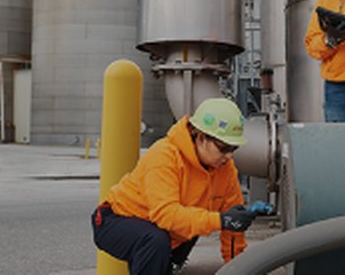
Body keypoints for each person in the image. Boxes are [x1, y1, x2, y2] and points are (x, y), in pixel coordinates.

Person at [92, 98, 254, 275]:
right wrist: (220, 220)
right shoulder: (164, 155)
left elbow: (233, 226)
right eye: (224, 148)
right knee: (155, 241)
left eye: (234, 149)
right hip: (116, 220)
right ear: (201, 137)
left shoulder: (225, 169)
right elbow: (165, 214)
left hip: (163, 231)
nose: (229, 156)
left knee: (187, 228)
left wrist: (238, 268)